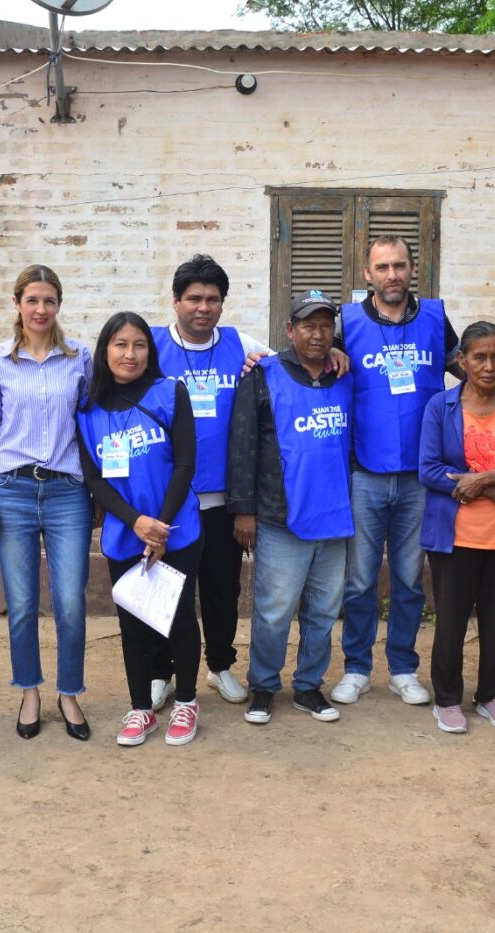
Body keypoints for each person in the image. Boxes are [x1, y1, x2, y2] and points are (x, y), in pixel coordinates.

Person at [331, 235, 460, 708]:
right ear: (367, 274)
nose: (392, 275)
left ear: (412, 269)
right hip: (365, 470)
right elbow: (309, 365)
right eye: (382, 267)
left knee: (409, 580)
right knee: (360, 581)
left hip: (421, 476)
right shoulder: (346, 322)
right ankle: (357, 668)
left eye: (399, 266)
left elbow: (468, 369)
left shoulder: (435, 318)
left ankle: (403, 668)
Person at [0, 264, 94, 741]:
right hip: (13, 490)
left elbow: (92, 422)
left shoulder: (80, 357)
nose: (40, 309)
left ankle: (69, 692)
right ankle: (29, 690)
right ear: (17, 303)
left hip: (68, 492)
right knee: (22, 603)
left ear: (58, 304)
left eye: (49, 301)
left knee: (70, 601)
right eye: (32, 300)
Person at [228, 291, 354, 725]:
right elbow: (243, 444)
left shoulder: (344, 375)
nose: (317, 334)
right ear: (289, 330)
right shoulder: (263, 374)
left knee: (323, 609)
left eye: (325, 326)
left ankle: (308, 686)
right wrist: (244, 510)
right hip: (280, 516)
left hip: (333, 515)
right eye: (308, 325)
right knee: (274, 609)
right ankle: (263, 686)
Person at [78, 312, 204, 746]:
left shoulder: (170, 392)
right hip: (125, 534)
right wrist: (137, 523)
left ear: (150, 351)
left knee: (179, 619)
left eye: (139, 345)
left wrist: (160, 527)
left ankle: (186, 701)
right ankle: (141, 709)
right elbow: (94, 479)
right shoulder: (88, 409)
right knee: (132, 625)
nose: (130, 354)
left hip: (177, 530)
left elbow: (185, 464)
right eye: (120, 344)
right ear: (105, 351)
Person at [147, 255, 266, 707]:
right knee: (165, 590)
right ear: (175, 301)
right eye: (194, 298)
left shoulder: (242, 344)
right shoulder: (151, 345)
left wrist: (333, 351)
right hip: (168, 500)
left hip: (221, 500)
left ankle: (219, 666)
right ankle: (161, 672)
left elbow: (295, 366)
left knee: (221, 590)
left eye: (213, 299)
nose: (203, 307)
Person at [418, 321, 495, 734]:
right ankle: (447, 699)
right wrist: (490, 490)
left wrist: (490, 477)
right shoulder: (441, 406)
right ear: (462, 360)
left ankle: (492, 695)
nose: (489, 366)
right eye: (479, 357)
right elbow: (429, 469)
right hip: (455, 535)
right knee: (451, 621)